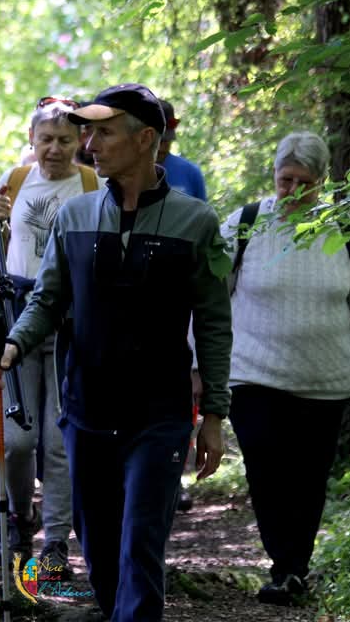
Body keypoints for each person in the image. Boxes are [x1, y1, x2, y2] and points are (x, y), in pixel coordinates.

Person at [0, 84, 233, 621]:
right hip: (87, 409)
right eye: (87, 131)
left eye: (102, 131)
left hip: (160, 414)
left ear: (145, 139)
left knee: (142, 537)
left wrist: (213, 413)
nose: (88, 143)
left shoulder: (196, 222)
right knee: (97, 544)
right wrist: (12, 344)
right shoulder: (73, 218)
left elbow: (214, 323)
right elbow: (48, 299)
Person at [220, 131, 350, 606]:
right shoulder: (245, 225)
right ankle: (284, 562)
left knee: (307, 477)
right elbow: (206, 301)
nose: (294, 193)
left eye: (305, 183)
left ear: (322, 182)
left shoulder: (342, 232)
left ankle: (293, 567)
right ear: (274, 176)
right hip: (254, 375)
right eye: (286, 181)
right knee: (266, 470)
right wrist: (197, 365)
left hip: (324, 382)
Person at [0, 96, 103, 578]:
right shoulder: (14, 181)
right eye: (47, 139)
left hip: (70, 321)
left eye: (66, 140)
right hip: (16, 315)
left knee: (57, 441)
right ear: (32, 140)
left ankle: (55, 542)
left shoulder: (93, 185)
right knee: (16, 439)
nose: (55, 149)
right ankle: (19, 516)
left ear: (81, 144)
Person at [157, 99, 206, 515]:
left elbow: (204, 229)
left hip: (179, 303)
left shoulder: (187, 174)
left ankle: (175, 479)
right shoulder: (111, 172)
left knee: (181, 398)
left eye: (169, 132)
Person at [156, 100, 207, 201]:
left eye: (166, 140)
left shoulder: (191, 173)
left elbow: (203, 214)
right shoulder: (127, 174)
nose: (162, 148)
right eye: (159, 141)